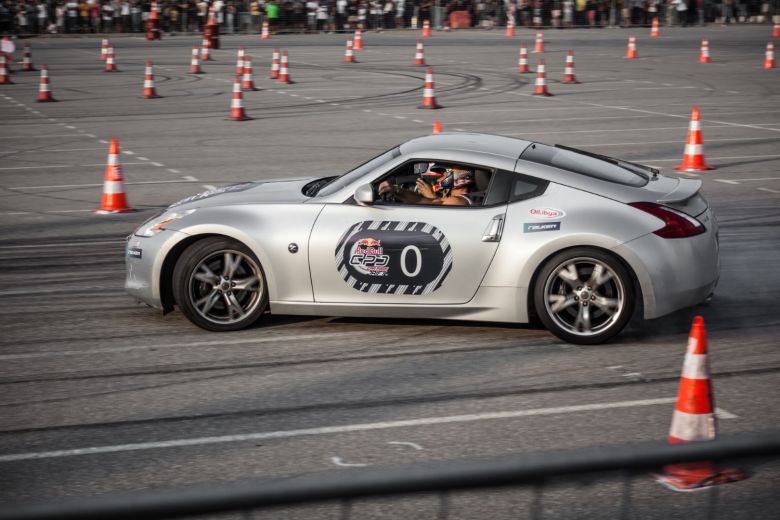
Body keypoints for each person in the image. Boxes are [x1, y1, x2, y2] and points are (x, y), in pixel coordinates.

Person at [378, 163, 476, 206]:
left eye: (445, 173)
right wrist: (396, 190)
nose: (441, 177)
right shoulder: (453, 196)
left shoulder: (459, 201)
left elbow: (431, 203)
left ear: (460, 175)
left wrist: (431, 196)